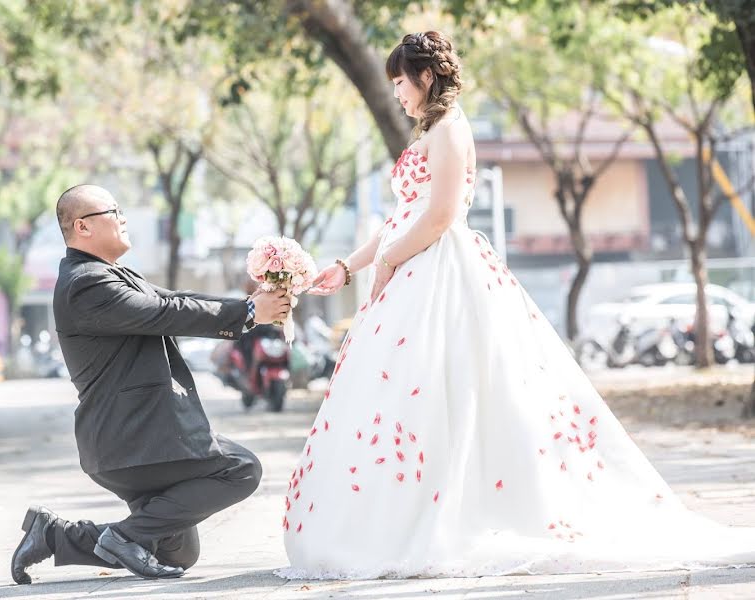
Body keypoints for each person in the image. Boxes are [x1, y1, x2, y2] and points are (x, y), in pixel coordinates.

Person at [278, 31, 755, 579]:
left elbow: (439, 218)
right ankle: (403, 511)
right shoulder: (427, 133)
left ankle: (450, 514)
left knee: (454, 391)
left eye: (400, 83)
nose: (397, 95)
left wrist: (388, 264)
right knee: (409, 401)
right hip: (413, 269)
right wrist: (347, 267)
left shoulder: (453, 131)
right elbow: (400, 221)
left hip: (443, 274)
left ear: (426, 77)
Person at [10, 184, 290, 584]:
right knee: (241, 469)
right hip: (134, 439)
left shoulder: (110, 274)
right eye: (114, 211)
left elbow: (177, 298)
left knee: (177, 549)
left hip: (136, 439)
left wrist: (252, 307)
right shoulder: (85, 284)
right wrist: (246, 312)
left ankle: (54, 535)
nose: (123, 218)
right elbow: (164, 311)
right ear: (82, 227)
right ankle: (124, 536)